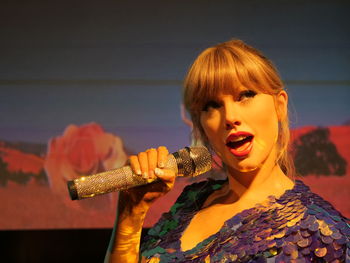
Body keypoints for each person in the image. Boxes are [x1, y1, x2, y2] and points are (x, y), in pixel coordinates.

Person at [105, 40, 350, 262]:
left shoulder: (323, 233)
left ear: (280, 106)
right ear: (201, 125)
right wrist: (130, 215)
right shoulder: (190, 203)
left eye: (245, 96)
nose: (230, 117)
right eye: (212, 106)